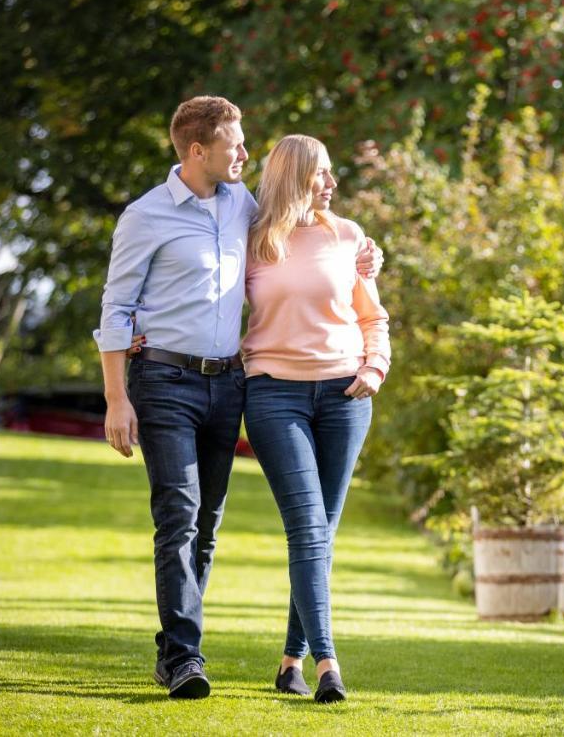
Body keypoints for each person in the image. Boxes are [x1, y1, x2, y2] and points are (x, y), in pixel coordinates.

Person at [94, 98, 381, 699]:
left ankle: (244, 655)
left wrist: (367, 255)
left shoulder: (243, 210)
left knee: (207, 526)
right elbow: (116, 308)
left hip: (228, 383)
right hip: (169, 380)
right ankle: (186, 658)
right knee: (179, 514)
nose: (245, 154)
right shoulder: (146, 216)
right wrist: (117, 397)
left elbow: (318, 242)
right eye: (236, 144)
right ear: (199, 150)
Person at [241, 134, 390, 704]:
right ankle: (328, 664)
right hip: (275, 396)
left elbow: (373, 317)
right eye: (321, 173)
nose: (331, 183)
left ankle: (288, 663)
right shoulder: (250, 240)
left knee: (320, 536)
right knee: (307, 529)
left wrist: (374, 368)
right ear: (294, 175)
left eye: (331, 172)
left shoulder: (347, 237)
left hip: (345, 395)